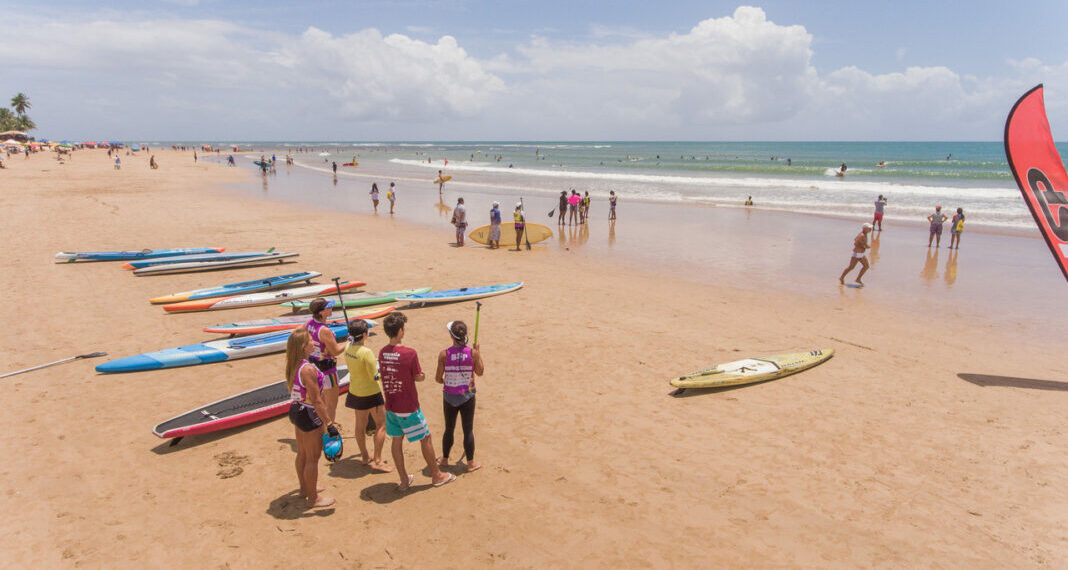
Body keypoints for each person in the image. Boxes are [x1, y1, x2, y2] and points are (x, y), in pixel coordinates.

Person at [378, 312, 454, 490]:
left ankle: (404, 480)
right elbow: (418, 376)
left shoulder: (382, 352)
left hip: (391, 404)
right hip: (408, 406)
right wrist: (422, 376)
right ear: (400, 331)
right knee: (425, 438)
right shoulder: (409, 353)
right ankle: (436, 475)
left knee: (397, 440)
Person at [285, 328, 336, 508]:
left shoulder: (295, 364)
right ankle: (313, 498)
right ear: (303, 346)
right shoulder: (307, 369)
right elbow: (317, 400)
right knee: (313, 457)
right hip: (308, 412)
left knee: (302, 453)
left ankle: (305, 488)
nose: (313, 342)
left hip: (297, 408)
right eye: (310, 341)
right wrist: (329, 423)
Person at [343, 320, 392, 472]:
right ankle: (377, 459)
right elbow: (375, 376)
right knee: (381, 425)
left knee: (360, 424)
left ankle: (365, 455)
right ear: (364, 334)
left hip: (355, 391)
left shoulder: (347, 348)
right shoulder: (366, 352)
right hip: (371, 392)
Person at [435, 321, 484, 473]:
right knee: (467, 429)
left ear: (452, 336)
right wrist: (477, 353)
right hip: (467, 396)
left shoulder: (444, 354)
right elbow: (480, 372)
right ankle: (470, 463)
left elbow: (437, 378)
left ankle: (444, 459)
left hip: (449, 396)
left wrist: (446, 381)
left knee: (449, 428)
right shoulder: (472, 353)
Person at [305, 298, 347, 424]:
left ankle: (321, 428)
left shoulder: (309, 323)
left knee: (320, 401)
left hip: (314, 366)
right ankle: (330, 432)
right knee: (331, 405)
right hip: (327, 370)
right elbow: (336, 351)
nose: (331, 308)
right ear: (321, 312)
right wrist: (349, 341)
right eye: (328, 307)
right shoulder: (325, 331)